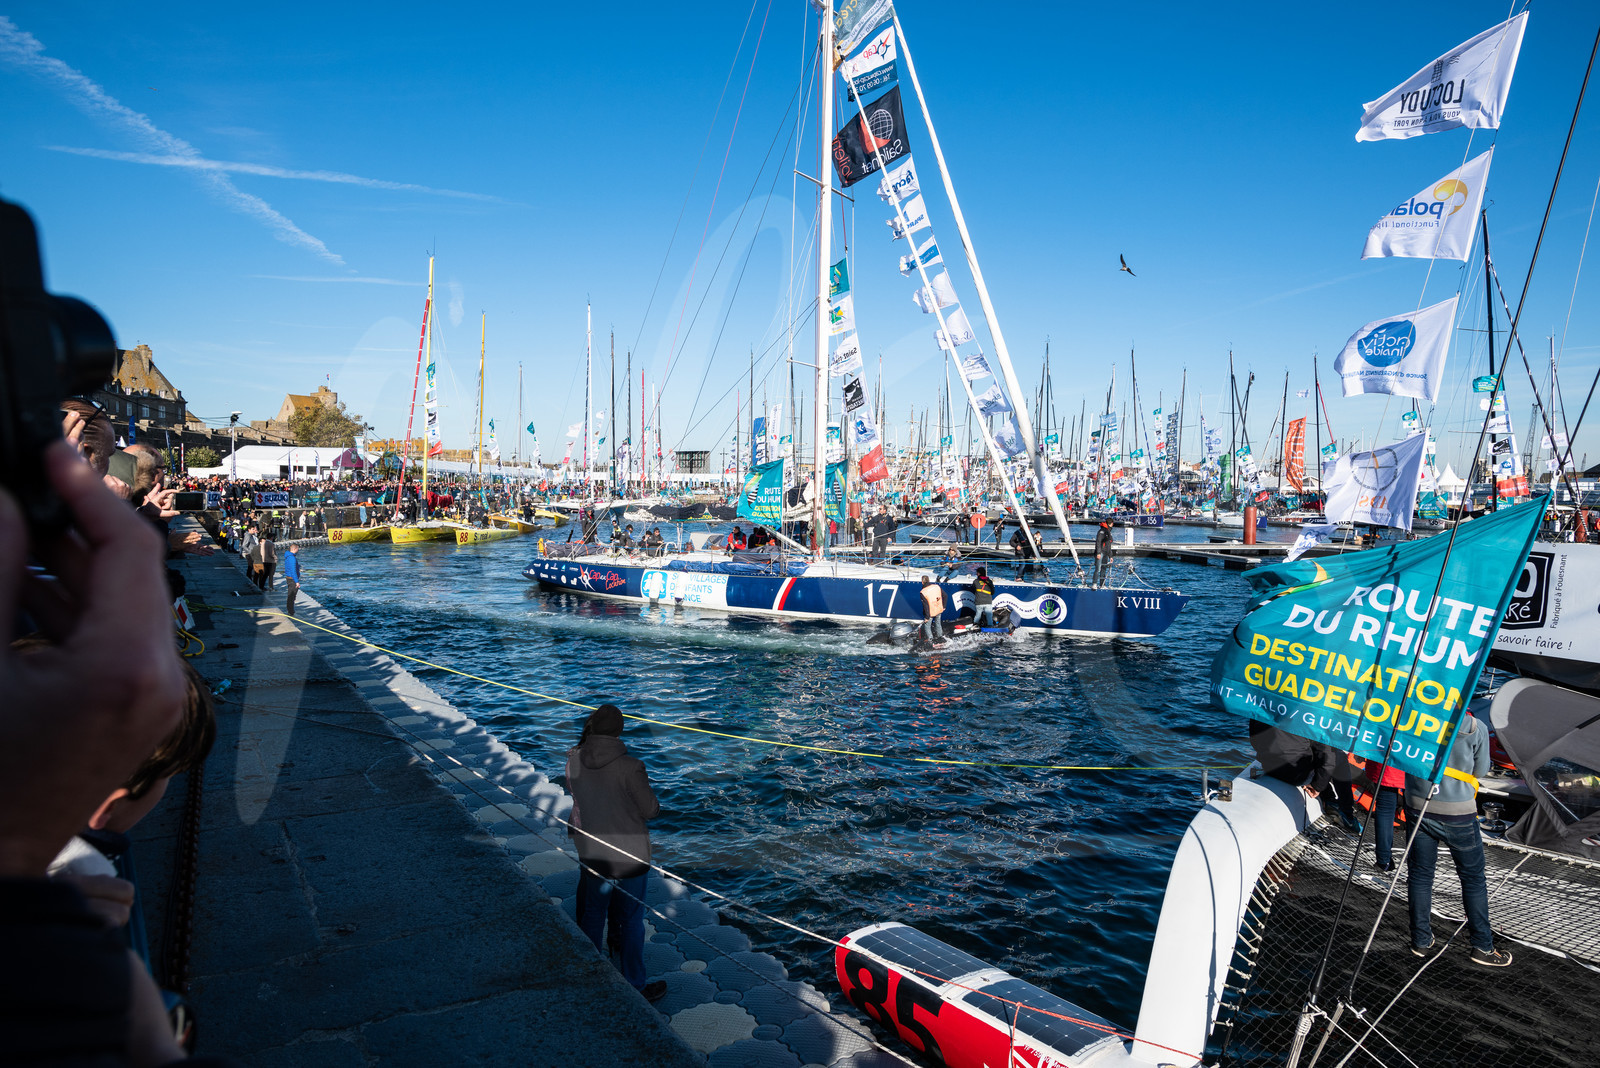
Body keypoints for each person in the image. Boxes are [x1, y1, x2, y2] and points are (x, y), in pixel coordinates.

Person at [564, 705, 667, 1002]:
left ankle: (591, 975)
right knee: (632, 919)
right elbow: (650, 809)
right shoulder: (631, 766)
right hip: (628, 855)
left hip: (591, 850)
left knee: (593, 912)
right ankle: (635, 983)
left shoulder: (573, 759)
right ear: (620, 731)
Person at [1405, 712, 1510, 966]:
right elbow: (1481, 770)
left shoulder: (1412, 715)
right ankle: (1482, 946)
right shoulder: (1475, 726)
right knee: (1473, 880)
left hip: (1418, 806)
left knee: (1420, 876)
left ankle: (1420, 940)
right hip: (1458, 813)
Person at [1366, 757, 1407, 873]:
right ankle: (1416, 869)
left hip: (1386, 763)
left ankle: (1383, 861)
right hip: (1416, 765)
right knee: (1414, 816)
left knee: (1385, 810)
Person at [918, 575, 946, 645]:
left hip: (931, 612)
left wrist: (927, 617)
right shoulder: (936, 586)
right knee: (938, 623)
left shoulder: (923, 592)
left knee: (927, 626)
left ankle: (930, 640)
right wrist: (944, 606)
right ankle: (940, 637)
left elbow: (926, 606)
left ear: (922, 582)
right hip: (939, 609)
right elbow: (945, 596)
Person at [283, 542, 302, 617]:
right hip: (292, 579)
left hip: (289, 578)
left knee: (291, 595)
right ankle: (291, 612)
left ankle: (290, 610)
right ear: (294, 549)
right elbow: (293, 571)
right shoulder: (292, 558)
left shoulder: (288, 556)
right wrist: (297, 582)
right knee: (292, 596)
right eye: (297, 549)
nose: (298, 550)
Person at [1093, 520, 1114, 587]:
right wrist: (1098, 553)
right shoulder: (1102, 531)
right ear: (1111, 524)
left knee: (1104, 569)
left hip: (1105, 553)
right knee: (1098, 569)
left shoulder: (1108, 531)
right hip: (1101, 552)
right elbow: (1098, 542)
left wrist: (1110, 556)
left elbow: (1108, 545)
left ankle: (1102, 584)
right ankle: (1094, 583)